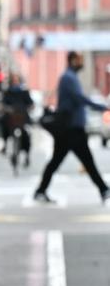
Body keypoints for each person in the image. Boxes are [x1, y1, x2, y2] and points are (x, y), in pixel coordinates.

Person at [35, 51, 110, 204]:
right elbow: (79, 98)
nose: (82, 63)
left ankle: (40, 191)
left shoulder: (70, 77)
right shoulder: (68, 78)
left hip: (70, 129)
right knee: (87, 161)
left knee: (57, 162)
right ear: (73, 60)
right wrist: (101, 107)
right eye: (80, 60)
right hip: (71, 129)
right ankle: (103, 189)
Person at [1, 72, 33, 168]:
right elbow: (3, 104)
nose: (15, 82)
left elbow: (30, 103)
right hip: (11, 118)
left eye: (17, 80)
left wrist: (29, 107)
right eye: (14, 80)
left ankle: (27, 155)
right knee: (5, 128)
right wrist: (6, 109)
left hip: (22, 118)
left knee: (27, 135)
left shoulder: (24, 92)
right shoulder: (7, 92)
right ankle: (5, 146)